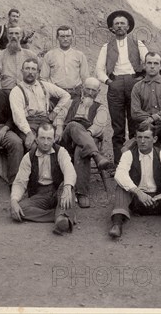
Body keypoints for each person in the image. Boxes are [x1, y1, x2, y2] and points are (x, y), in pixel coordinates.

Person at [96, 10, 149, 165]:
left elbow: (148, 61)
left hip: (134, 84)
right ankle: (120, 164)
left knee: (135, 123)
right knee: (118, 127)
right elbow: (99, 69)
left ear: (128, 27)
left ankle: (135, 162)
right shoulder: (106, 47)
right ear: (112, 28)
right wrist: (108, 82)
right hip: (115, 85)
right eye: (116, 24)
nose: (119, 26)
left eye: (122, 23)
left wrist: (142, 79)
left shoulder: (137, 43)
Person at [9, 123, 76, 236]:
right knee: (19, 209)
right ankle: (61, 215)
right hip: (40, 195)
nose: (45, 142)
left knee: (68, 188)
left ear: (54, 139)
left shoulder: (61, 152)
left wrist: (68, 186)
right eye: (42, 138)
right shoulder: (28, 157)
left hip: (58, 192)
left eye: (49, 138)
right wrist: (14, 201)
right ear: (36, 138)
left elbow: (69, 169)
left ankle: (63, 214)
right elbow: (20, 182)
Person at [59, 77, 111, 208]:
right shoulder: (70, 102)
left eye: (93, 90)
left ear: (98, 92)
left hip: (87, 137)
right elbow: (59, 117)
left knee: (81, 149)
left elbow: (98, 126)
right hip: (67, 139)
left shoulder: (101, 108)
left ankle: (82, 193)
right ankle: (96, 155)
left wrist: (85, 136)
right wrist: (59, 128)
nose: (90, 92)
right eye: (87, 88)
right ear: (82, 89)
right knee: (72, 125)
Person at [9, 58, 71, 150]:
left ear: (38, 72)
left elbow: (66, 95)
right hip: (27, 125)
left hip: (45, 122)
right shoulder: (16, 91)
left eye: (33, 69)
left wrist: (54, 112)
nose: (30, 72)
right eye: (27, 68)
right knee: (34, 147)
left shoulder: (44, 85)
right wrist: (29, 133)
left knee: (56, 146)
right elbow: (19, 117)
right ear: (22, 71)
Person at [130, 52, 161, 154]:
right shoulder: (137, 87)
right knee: (142, 125)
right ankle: (146, 138)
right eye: (149, 63)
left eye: (156, 63)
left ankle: (137, 141)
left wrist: (153, 118)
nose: (152, 66)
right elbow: (135, 113)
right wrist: (150, 119)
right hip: (146, 125)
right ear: (144, 65)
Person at [40, 25, 89, 100]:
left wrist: (84, 95)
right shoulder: (49, 55)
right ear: (57, 37)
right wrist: (47, 96)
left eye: (68, 36)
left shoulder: (80, 55)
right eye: (62, 36)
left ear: (72, 37)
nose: (65, 39)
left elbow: (85, 77)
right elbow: (44, 78)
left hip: (75, 94)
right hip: (56, 94)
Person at [0, 26, 38, 90]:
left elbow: (39, 74)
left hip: (25, 90)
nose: (14, 36)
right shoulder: (0, 55)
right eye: (11, 33)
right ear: (7, 36)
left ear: (21, 36)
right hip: (6, 90)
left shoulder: (30, 55)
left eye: (17, 33)